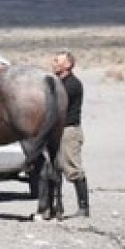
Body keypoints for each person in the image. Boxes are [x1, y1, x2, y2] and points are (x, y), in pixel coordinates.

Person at [51, 50, 89, 218]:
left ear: (68, 65)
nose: (54, 63)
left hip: (69, 130)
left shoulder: (72, 84)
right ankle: (57, 206)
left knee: (73, 169)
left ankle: (83, 207)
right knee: (56, 168)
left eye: (57, 61)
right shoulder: (58, 83)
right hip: (59, 130)